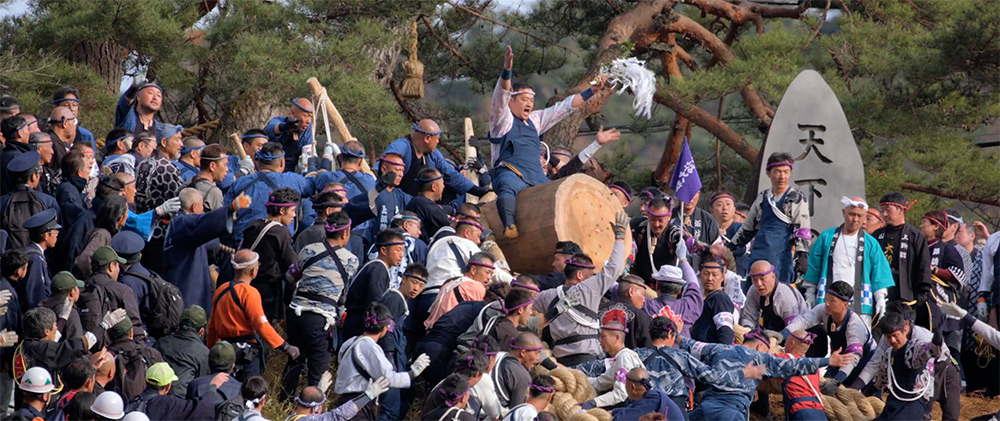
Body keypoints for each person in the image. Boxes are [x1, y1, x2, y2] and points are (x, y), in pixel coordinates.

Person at [488, 45, 612, 238]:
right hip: (511, 173)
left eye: (531, 100)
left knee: (558, 195)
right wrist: (506, 70)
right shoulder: (502, 120)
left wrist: (591, 91)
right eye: (524, 99)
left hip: (537, 178)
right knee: (507, 186)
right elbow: (500, 96)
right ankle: (509, 225)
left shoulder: (534, 120)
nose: (529, 103)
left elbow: (564, 108)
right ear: (511, 101)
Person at [681, 328, 854, 421]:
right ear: (759, 347)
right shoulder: (761, 358)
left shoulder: (717, 349)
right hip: (732, 412)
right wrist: (828, 361)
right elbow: (796, 364)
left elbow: (689, 344)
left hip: (706, 408)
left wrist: (674, 331)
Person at [280, 211, 359, 401]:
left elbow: (290, 277)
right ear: (345, 233)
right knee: (318, 369)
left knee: (295, 359)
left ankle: (283, 401)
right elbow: (343, 294)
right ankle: (312, 406)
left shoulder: (308, 250)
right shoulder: (351, 261)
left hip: (296, 313)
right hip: (321, 318)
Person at [532, 212, 627, 366]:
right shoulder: (589, 288)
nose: (593, 278)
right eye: (590, 275)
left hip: (560, 362)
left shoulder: (545, 296)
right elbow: (614, 267)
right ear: (580, 275)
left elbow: (525, 309)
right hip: (588, 360)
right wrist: (620, 238)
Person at [636, 313, 763, 419]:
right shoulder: (679, 355)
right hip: (673, 409)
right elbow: (711, 376)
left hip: (643, 406)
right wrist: (741, 373)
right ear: (670, 334)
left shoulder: (637, 354)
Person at [208, 250, 299, 380]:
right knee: (247, 388)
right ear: (253, 271)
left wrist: (211, 351)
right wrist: (286, 346)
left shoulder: (221, 290)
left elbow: (212, 326)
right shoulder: (249, 293)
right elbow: (261, 325)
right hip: (246, 354)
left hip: (224, 351)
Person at [801, 196, 894, 325]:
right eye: (852, 214)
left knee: (858, 334)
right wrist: (810, 293)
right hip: (828, 298)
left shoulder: (870, 243)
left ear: (864, 217)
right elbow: (813, 267)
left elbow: (879, 272)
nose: (855, 219)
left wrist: (880, 298)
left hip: (860, 300)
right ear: (844, 213)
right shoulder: (827, 237)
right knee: (827, 333)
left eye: (860, 216)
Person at [724, 152, 812, 284]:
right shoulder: (763, 197)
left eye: (786, 172)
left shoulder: (796, 198)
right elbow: (748, 227)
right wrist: (730, 248)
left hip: (781, 254)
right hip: (759, 251)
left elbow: (802, 229)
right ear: (768, 173)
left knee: (777, 288)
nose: (782, 176)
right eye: (777, 172)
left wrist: (802, 255)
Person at [334, 302, 430, 420]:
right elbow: (388, 378)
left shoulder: (350, 342)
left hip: (344, 401)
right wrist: (413, 372)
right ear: (385, 328)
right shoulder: (369, 346)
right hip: (359, 404)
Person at [163, 188, 247, 313]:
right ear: (194, 207)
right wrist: (230, 209)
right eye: (202, 205)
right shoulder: (183, 222)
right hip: (186, 285)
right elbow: (203, 223)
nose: (202, 209)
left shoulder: (182, 224)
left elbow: (211, 243)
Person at [781, 281, 875, 391]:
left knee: (858, 396)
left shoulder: (855, 325)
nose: (827, 304)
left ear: (845, 304)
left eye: (832, 301)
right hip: (837, 360)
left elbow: (853, 357)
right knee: (821, 390)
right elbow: (804, 321)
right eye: (826, 299)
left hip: (864, 365)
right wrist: (782, 334)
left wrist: (836, 381)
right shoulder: (823, 310)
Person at [224, 142, 317, 242]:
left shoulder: (239, 183)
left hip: (243, 244)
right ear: (282, 163)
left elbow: (225, 212)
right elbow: (314, 184)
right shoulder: (293, 180)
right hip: (280, 244)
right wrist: (316, 164)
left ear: (257, 162)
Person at [378, 119, 488, 200]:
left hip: (420, 205)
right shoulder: (401, 146)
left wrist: (476, 190)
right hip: (397, 202)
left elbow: (450, 174)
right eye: (437, 139)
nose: (438, 142)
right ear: (427, 138)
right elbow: (380, 169)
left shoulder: (433, 154)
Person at [861, 311, 939, 420]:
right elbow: (880, 382)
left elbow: (930, 350)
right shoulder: (887, 355)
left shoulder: (914, 348)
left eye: (895, 335)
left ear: (904, 330)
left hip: (913, 404)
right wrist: (862, 395)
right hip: (893, 403)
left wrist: (937, 340)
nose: (892, 340)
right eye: (888, 337)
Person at [375, 264, 427, 421]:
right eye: (414, 282)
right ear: (403, 278)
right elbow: (385, 328)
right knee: (390, 410)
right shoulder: (394, 298)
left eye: (421, 285)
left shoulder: (401, 300)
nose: (416, 288)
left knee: (407, 394)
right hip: (389, 358)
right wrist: (390, 357)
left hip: (396, 357)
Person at [873, 192, 933, 327]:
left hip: (905, 293)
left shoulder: (914, 235)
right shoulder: (877, 235)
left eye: (888, 210)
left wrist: (922, 292)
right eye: (882, 211)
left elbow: (923, 264)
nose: (884, 214)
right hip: (880, 291)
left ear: (900, 209)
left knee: (901, 329)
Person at [242, 187, 300, 322]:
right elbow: (290, 264)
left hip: (247, 284)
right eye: (292, 211)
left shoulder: (252, 226)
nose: (294, 215)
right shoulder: (281, 232)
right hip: (268, 292)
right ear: (282, 211)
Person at [134, 123, 185, 273]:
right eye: (177, 139)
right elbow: (179, 202)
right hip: (160, 236)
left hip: (142, 231)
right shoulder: (167, 168)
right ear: (164, 142)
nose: (181, 144)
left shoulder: (143, 163)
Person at [341, 229, 405, 340]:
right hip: (359, 327)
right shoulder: (378, 269)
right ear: (384, 250)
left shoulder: (376, 267)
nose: (401, 255)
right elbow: (374, 303)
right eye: (398, 250)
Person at [919, 209, 966, 357]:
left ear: (935, 226)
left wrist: (934, 270)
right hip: (920, 303)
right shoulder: (918, 247)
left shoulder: (947, 249)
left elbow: (959, 275)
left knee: (948, 351)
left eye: (924, 223)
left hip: (941, 306)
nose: (921, 226)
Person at [81, 246, 145, 344]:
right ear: (111, 266)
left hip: (84, 345)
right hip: (113, 348)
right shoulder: (122, 290)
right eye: (117, 266)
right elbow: (135, 326)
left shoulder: (80, 290)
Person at [0, 150, 61, 251]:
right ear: (33, 176)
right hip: (40, 255)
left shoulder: (2, 202)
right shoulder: (48, 201)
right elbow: (57, 233)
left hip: (11, 257)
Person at [577, 320, 644, 409]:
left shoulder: (624, 357)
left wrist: (594, 402)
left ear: (617, 338)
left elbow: (621, 393)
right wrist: (576, 377)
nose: (599, 340)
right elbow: (600, 382)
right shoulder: (620, 358)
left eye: (603, 336)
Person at [642, 241, 703, 337]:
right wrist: (683, 259)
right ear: (679, 290)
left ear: (657, 286)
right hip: (681, 347)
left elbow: (623, 289)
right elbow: (693, 284)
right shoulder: (687, 307)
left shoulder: (645, 304)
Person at [128, 362, 226, 420]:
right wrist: (212, 388)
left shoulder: (133, 402)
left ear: (146, 381)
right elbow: (201, 408)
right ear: (168, 386)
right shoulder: (170, 403)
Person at [19, 307, 99, 377]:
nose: (56, 328)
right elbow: (68, 349)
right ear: (47, 332)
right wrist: (101, 328)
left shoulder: (26, 344)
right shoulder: (41, 349)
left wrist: (62, 320)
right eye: (55, 325)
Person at [425, 252, 497, 329]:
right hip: (449, 331)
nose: (489, 277)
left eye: (491, 274)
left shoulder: (450, 281)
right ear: (473, 270)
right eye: (487, 272)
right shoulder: (476, 286)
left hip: (430, 328)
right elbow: (479, 318)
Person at [153, 305, 210, 398]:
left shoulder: (160, 343)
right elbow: (201, 385)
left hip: (157, 397)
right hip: (184, 400)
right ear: (201, 331)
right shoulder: (204, 353)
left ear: (179, 325)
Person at [738, 261, 808, 334]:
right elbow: (748, 316)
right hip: (771, 327)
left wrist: (780, 337)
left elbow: (793, 326)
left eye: (762, 279)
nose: (759, 284)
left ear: (773, 276)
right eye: (755, 280)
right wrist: (747, 331)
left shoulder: (783, 294)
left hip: (797, 330)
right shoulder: (753, 290)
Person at [770, 330, 826, 421]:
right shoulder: (814, 368)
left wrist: (771, 340)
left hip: (802, 413)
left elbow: (763, 359)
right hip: (820, 413)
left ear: (791, 344)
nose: (784, 345)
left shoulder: (784, 359)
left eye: (785, 342)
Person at [105, 317, 164, 401]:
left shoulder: (104, 358)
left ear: (109, 336)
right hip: (145, 405)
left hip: (113, 405)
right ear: (131, 333)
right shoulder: (151, 353)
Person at [487, 331, 543, 413]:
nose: (538, 358)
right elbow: (515, 411)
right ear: (523, 353)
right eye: (536, 353)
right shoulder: (522, 376)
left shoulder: (497, 355)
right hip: (491, 415)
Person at [632, 196, 684, 283]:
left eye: (660, 220)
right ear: (647, 214)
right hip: (639, 283)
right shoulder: (638, 227)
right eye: (652, 219)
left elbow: (690, 243)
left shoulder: (675, 233)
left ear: (669, 216)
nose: (656, 224)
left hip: (667, 285)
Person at [611, 367, 685, 421]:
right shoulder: (652, 397)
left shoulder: (652, 401)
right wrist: (613, 412)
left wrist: (609, 413)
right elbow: (631, 410)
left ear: (632, 387)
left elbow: (620, 418)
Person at [21, 209, 62, 308]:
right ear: (45, 235)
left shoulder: (30, 253)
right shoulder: (36, 259)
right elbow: (34, 296)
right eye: (55, 231)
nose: (57, 235)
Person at [691, 257, 735, 345]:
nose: (710, 278)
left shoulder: (720, 299)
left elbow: (725, 331)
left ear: (722, 277)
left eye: (714, 275)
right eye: (706, 274)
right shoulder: (706, 298)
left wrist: (722, 351)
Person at [600, 274, 652, 349]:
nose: (644, 300)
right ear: (631, 291)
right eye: (642, 294)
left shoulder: (598, 309)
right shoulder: (642, 317)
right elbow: (647, 348)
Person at [265, 98, 315, 172]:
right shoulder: (277, 121)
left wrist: (311, 173)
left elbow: (309, 156)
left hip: (290, 172)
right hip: (270, 170)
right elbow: (270, 129)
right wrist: (285, 126)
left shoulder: (307, 129)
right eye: (305, 115)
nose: (309, 121)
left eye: (311, 117)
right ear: (292, 113)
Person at [405, 167, 453, 243]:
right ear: (434, 187)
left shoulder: (418, 202)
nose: (443, 187)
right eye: (442, 184)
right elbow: (450, 225)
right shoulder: (423, 204)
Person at [38, 271, 85, 342]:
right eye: (77, 287)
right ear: (72, 292)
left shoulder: (39, 309)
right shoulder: (70, 313)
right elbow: (76, 344)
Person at [709, 192, 748, 276]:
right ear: (712, 211)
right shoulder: (708, 230)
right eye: (719, 205)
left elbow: (741, 250)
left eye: (728, 204)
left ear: (734, 210)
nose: (725, 208)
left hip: (738, 273)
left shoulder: (742, 228)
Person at [184, 143, 227, 212]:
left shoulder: (186, 184)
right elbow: (219, 218)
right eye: (224, 165)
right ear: (212, 166)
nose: (227, 169)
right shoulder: (214, 193)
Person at [0, 114, 34, 195]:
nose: (29, 133)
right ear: (20, 133)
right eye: (27, 129)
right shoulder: (19, 158)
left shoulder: (4, 154)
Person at [46, 106, 78, 173]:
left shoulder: (49, 139)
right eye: (73, 123)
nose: (74, 127)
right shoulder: (54, 145)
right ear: (65, 123)